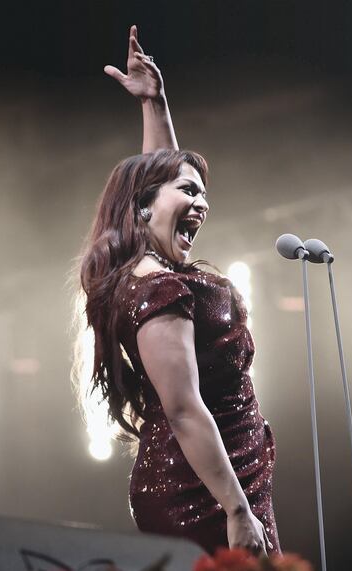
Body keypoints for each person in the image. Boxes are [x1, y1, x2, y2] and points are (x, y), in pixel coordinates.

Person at [71, 25, 280, 556]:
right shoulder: (157, 288)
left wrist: (154, 103)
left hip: (228, 471)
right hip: (198, 489)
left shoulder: (159, 268)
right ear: (142, 205)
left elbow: (159, 175)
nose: (202, 203)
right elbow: (184, 407)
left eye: (204, 194)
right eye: (190, 191)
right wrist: (236, 510)